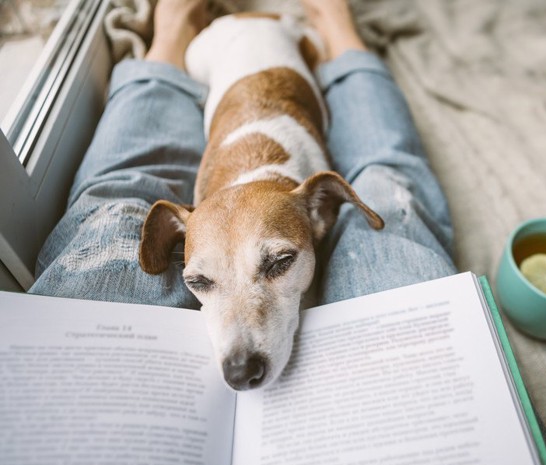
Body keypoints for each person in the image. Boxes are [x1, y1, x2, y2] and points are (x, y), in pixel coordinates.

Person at [29, 0, 456, 306]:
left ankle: (174, 38)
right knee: (389, 179)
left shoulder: (314, 202)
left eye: (278, 263)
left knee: (116, 196)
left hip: (279, 47)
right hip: (222, 51)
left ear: (322, 209)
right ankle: (337, 34)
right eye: (201, 280)